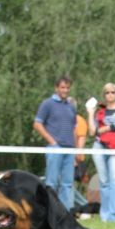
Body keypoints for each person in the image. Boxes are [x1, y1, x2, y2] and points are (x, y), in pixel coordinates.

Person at [87, 82, 115, 222]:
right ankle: (105, 215)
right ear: (104, 95)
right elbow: (92, 131)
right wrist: (90, 113)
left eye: (113, 92)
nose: (110, 95)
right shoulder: (99, 112)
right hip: (99, 146)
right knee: (104, 181)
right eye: (107, 93)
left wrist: (102, 129)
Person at [33, 76, 77, 210]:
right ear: (56, 88)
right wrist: (52, 142)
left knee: (68, 183)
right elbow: (37, 124)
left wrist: (75, 151)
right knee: (51, 182)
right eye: (63, 87)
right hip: (55, 148)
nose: (65, 90)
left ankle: (66, 212)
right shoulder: (47, 104)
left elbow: (73, 127)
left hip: (69, 149)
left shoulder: (71, 106)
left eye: (67, 88)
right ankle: (50, 211)